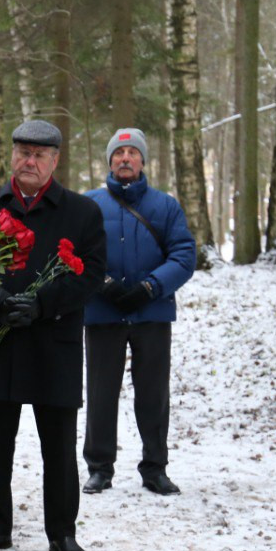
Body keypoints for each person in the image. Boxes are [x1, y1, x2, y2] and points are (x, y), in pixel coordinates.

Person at [0, 119, 106, 551]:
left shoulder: (82, 213)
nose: (30, 160)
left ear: (54, 160)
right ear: (11, 156)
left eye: (39, 154)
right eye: (23, 152)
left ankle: (62, 532)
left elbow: (92, 273)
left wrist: (44, 303)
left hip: (53, 343)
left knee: (59, 446)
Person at [82, 128, 196, 496]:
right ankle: (99, 468)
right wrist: (103, 284)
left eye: (132, 152)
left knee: (153, 393)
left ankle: (155, 467)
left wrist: (151, 287)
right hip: (103, 313)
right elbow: (74, 253)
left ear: (143, 161)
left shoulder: (165, 206)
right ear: (110, 161)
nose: (125, 159)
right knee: (101, 392)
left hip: (152, 313)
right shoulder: (91, 205)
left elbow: (184, 255)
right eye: (119, 153)